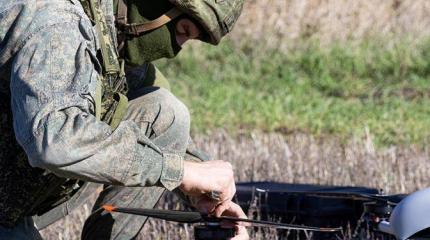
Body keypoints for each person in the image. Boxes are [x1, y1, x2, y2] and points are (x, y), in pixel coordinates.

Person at [0, 0, 248, 239]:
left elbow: (158, 119)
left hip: (10, 194)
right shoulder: (55, 20)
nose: (174, 50)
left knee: (167, 112)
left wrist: (207, 195)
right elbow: (55, 138)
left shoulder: (108, 24)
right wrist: (178, 171)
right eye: (183, 30)